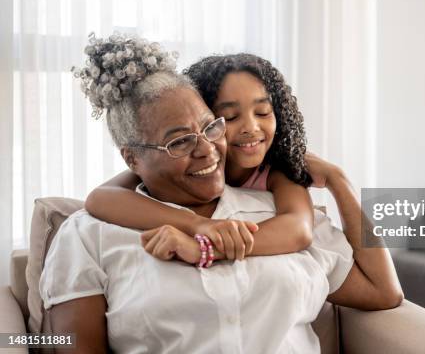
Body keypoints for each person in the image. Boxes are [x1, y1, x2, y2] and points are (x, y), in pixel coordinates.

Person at [40, 33, 403, 353]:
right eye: (180, 141)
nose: (207, 150)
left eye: (210, 128)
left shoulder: (277, 206)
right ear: (132, 158)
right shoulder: (88, 233)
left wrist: (341, 183)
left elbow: (382, 291)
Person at [85, 53, 315, 260]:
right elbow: (100, 198)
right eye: (231, 117)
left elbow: (299, 228)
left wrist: (206, 248)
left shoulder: (276, 170)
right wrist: (199, 225)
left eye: (263, 112)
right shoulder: (167, 166)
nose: (250, 128)